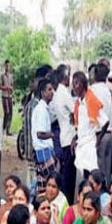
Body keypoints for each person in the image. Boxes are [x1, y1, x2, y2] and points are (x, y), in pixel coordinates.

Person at [51, 65, 76, 204]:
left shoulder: (57, 94)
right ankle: (68, 204)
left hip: (64, 137)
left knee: (66, 175)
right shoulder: (64, 94)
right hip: (69, 138)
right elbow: (76, 112)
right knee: (69, 178)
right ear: (66, 78)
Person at [91, 64, 112, 182]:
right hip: (109, 134)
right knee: (107, 169)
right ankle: (106, 192)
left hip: (97, 134)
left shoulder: (91, 90)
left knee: (97, 168)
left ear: (95, 75)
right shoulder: (110, 91)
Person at [31, 77, 57, 197]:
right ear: (42, 92)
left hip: (40, 152)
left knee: (42, 187)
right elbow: (40, 134)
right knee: (53, 184)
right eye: (49, 89)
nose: (52, 92)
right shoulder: (41, 110)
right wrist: (53, 135)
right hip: (44, 152)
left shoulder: (42, 109)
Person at [71, 71, 99, 179]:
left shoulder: (91, 101)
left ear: (82, 85)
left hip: (89, 146)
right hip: (81, 145)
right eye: (73, 84)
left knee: (90, 176)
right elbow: (80, 126)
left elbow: (105, 122)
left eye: (76, 84)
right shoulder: (78, 103)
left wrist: (97, 141)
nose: (74, 87)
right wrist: (75, 138)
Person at [0, 60, 14, 136]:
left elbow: (13, 85)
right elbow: (0, 86)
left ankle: (8, 129)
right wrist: (6, 87)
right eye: (6, 66)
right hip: (4, 96)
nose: (7, 67)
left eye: (9, 66)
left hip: (10, 96)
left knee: (11, 113)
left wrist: (11, 88)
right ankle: (3, 128)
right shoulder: (2, 76)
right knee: (7, 113)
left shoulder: (11, 76)